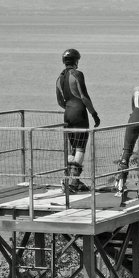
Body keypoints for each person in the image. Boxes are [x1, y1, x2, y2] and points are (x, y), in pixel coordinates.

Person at [55, 48, 100, 193]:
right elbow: (84, 96)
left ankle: (67, 179)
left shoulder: (59, 78)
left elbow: (60, 102)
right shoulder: (77, 74)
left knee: (72, 147)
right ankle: (73, 182)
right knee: (80, 147)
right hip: (79, 113)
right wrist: (94, 114)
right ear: (76, 61)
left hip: (67, 114)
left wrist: (69, 108)